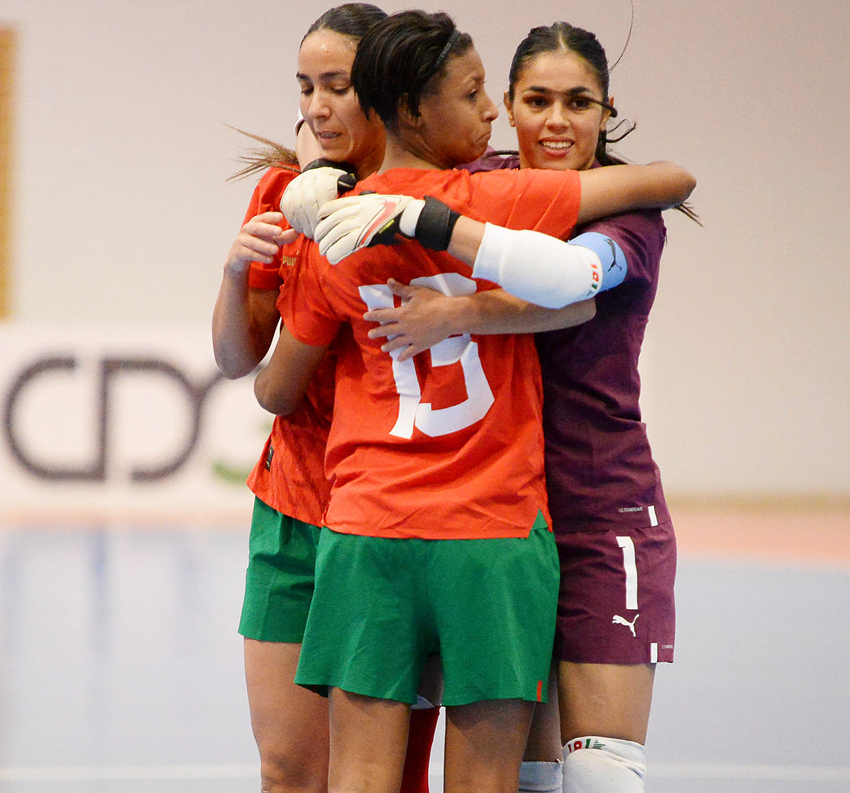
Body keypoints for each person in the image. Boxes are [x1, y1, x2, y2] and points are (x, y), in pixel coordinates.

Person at [255, 11, 694, 793]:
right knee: (504, 775)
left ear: (607, 111)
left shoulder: (560, 207)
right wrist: (326, 176)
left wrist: (452, 293)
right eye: (526, 98)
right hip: (487, 521)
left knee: (591, 777)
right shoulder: (495, 187)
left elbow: (573, 286)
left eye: (580, 102)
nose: (547, 119)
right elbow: (387, 150)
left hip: (573, 508)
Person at [210, 5, 442, 793]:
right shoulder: (283, 194)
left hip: (391, 515)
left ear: (383, 89)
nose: (315, 105)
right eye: (305, 87)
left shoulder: (437, 203)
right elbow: (239, 362)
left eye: (336, 86)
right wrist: (235, 272)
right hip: (291, 508)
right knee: (285, 769)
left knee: (382, 774)